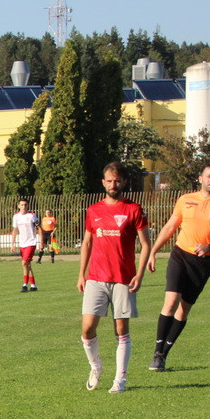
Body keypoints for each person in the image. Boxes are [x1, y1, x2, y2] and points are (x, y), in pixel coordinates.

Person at [146, 163, 210, 371]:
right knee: (171, 301)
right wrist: (153, 251)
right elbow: (170, 226)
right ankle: (157, 352)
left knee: (183, 310)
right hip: (179, 255)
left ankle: (164, 355)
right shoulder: (185, 199)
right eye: (208, 176)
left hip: (203, 262)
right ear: (200, 178)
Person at [76, 162, 151, 394]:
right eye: (109, 180)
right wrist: (81, 274)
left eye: (117, 180)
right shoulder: (94, 210)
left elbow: (145, 244)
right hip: (96, 278)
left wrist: (139, 274)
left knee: (121, 330)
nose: (113, 184)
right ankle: (95, 366)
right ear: (103, 182)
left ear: (124, 182)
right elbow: (87, 243)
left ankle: (120, 380)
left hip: (123, 279)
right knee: (87, 328)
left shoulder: (134, 209)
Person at [11, 198, 40, 291]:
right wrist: (12, 244)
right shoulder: (16, 216)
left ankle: (25, 285)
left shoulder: (32, 215)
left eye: (25, 205)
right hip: (22, 244)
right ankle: (33, 286)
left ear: (28, 206)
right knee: (28, 265)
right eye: (22, 205)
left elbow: (39, 228)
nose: (24, 206)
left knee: (24, 263)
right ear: (18, 206)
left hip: (31, 243)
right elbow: (15, 230)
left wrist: (41, 242)